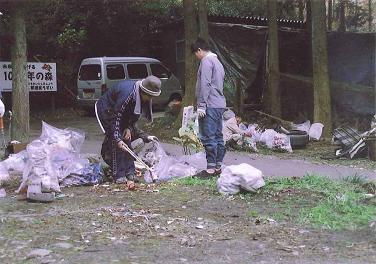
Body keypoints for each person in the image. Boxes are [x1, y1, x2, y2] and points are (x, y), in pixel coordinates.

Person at [96, 75, 161, 187]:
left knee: (127, 139)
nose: (150, 99)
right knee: (116, 142)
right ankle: (118, 175)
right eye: (149, 96)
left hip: (120, 113)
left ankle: (130, 172)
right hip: (107, 110)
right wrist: (117, 138)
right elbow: (116, 117)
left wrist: (128, 128)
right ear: (143, 92)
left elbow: (130, 115)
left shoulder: (139, 97)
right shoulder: (127, 95)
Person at [191, 37, 226, 178]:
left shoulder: (206, 61)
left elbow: (205, 84)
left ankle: (210, 169)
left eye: (195, 53)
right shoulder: (218, 62)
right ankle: (218, 166)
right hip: (219, 104)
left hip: (210, 104)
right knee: (218, 136)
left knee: (209, 136)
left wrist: (201, 105)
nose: (196, 56)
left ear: (199, 50)